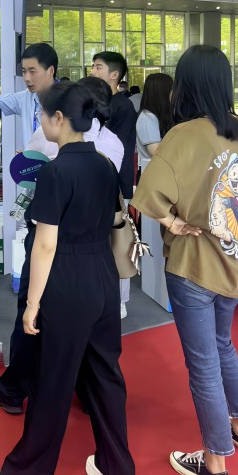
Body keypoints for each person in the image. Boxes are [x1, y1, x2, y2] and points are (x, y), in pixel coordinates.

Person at [0, 83, 139, 475]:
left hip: (66, 283)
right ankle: (119, 472)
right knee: (106, 376)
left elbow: (46, 245)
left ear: (59, 119)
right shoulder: (104, 164)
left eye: (42, 115)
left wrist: (32, 304)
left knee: (52, 381)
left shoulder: (55, 171)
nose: (40, 121)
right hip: (103, 278)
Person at [132, 45, 238, 475]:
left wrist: (172, 223)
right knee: (223, 344)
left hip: (194, 264)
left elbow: (147, 197)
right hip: (236, 260)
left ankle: (215, 463)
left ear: (185, 85)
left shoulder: (183, 135)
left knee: (203, 362)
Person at [0, 77, 123, 415]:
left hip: (54, 247)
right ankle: (91, 397)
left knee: (34, 324)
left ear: (64, 114)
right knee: (94, 339)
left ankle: (17, 391)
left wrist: (32, 302)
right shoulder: (111, 149)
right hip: (97, 255)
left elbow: (45, 242)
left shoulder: (62, 157)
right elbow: (112, 209)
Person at [91, 52, 137, 318]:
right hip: (95, 182)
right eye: (93, 66)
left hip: (116, 184)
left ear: (114, 74)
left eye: (98, 67)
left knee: (119, 241)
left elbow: (117, 149)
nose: (93, 70)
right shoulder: (95, 103)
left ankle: (120, 300)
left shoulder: (123, 106)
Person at [135, 73, 174, 306]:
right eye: (171, 89)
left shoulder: (160, 116)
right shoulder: (147, 117)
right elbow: (155, 151)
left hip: (162, 177)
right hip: (152, 178)